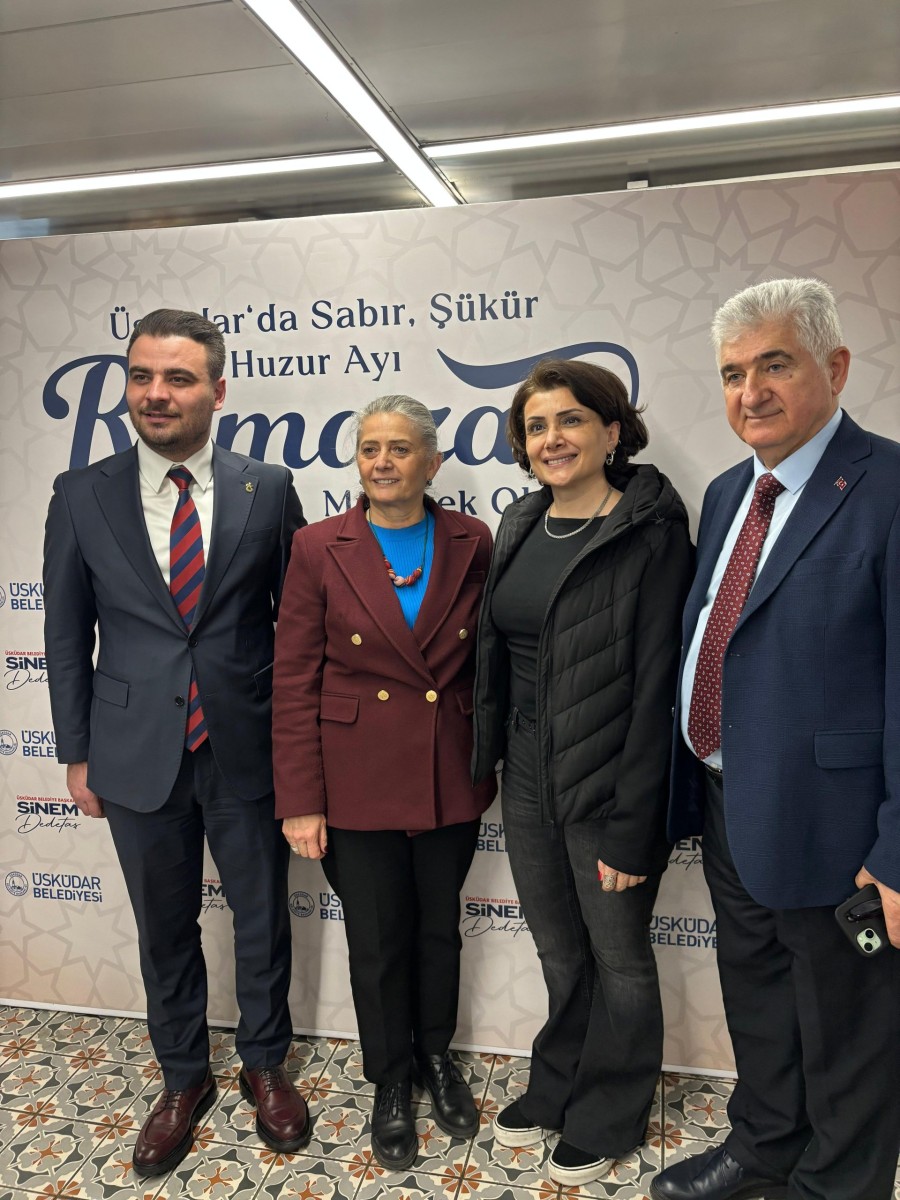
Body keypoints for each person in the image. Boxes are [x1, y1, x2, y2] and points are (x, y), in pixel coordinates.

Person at [43, 309, 309, 1178]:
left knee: (262, 917)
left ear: (218, 391)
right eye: (142, 376)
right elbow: (65, 633)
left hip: (246, 745)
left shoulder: (267, 488)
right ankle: (183, 1076)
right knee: (165, 926)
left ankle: (265, 1063)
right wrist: (77, 752)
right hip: (132, 751)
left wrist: (301, 748)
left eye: (179, 378)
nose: (156, 394)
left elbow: (297, 625)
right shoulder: (81, 494)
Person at [651, 278, 900, 1200]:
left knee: (847, 1023)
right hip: (731, 799)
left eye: (774, 365)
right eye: (731, 374)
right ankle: (765, 1144)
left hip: (841, 825)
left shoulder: (889, 488)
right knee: (756, 989)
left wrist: (897, 853)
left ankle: (839, 1184)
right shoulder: (729, 492)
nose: (749, 392)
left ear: (835, 368)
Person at [471, 358, 693, 1187]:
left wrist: (636, 823)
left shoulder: (651, 533)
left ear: (611, 430)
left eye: (570, 420)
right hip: (527, 772)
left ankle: (610, 1109)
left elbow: (659, 686)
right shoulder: (521, 521)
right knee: (560, 950)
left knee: (620, 958)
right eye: (536, 426)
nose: (552, 439)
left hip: (609, 778)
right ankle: (559, 1081)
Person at [272, 394, 496, 1170]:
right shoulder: (317, 546)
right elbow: (294, 678)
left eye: (400, 448)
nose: (382, 461)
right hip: (353, 777)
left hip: (446, 770)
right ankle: (391, 1079)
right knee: (377, 941)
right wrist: (300, 800)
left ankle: (436, 1057)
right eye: (370, 448)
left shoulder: (473, 539)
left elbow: (489, 659)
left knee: (437, 929)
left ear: (432, 462)